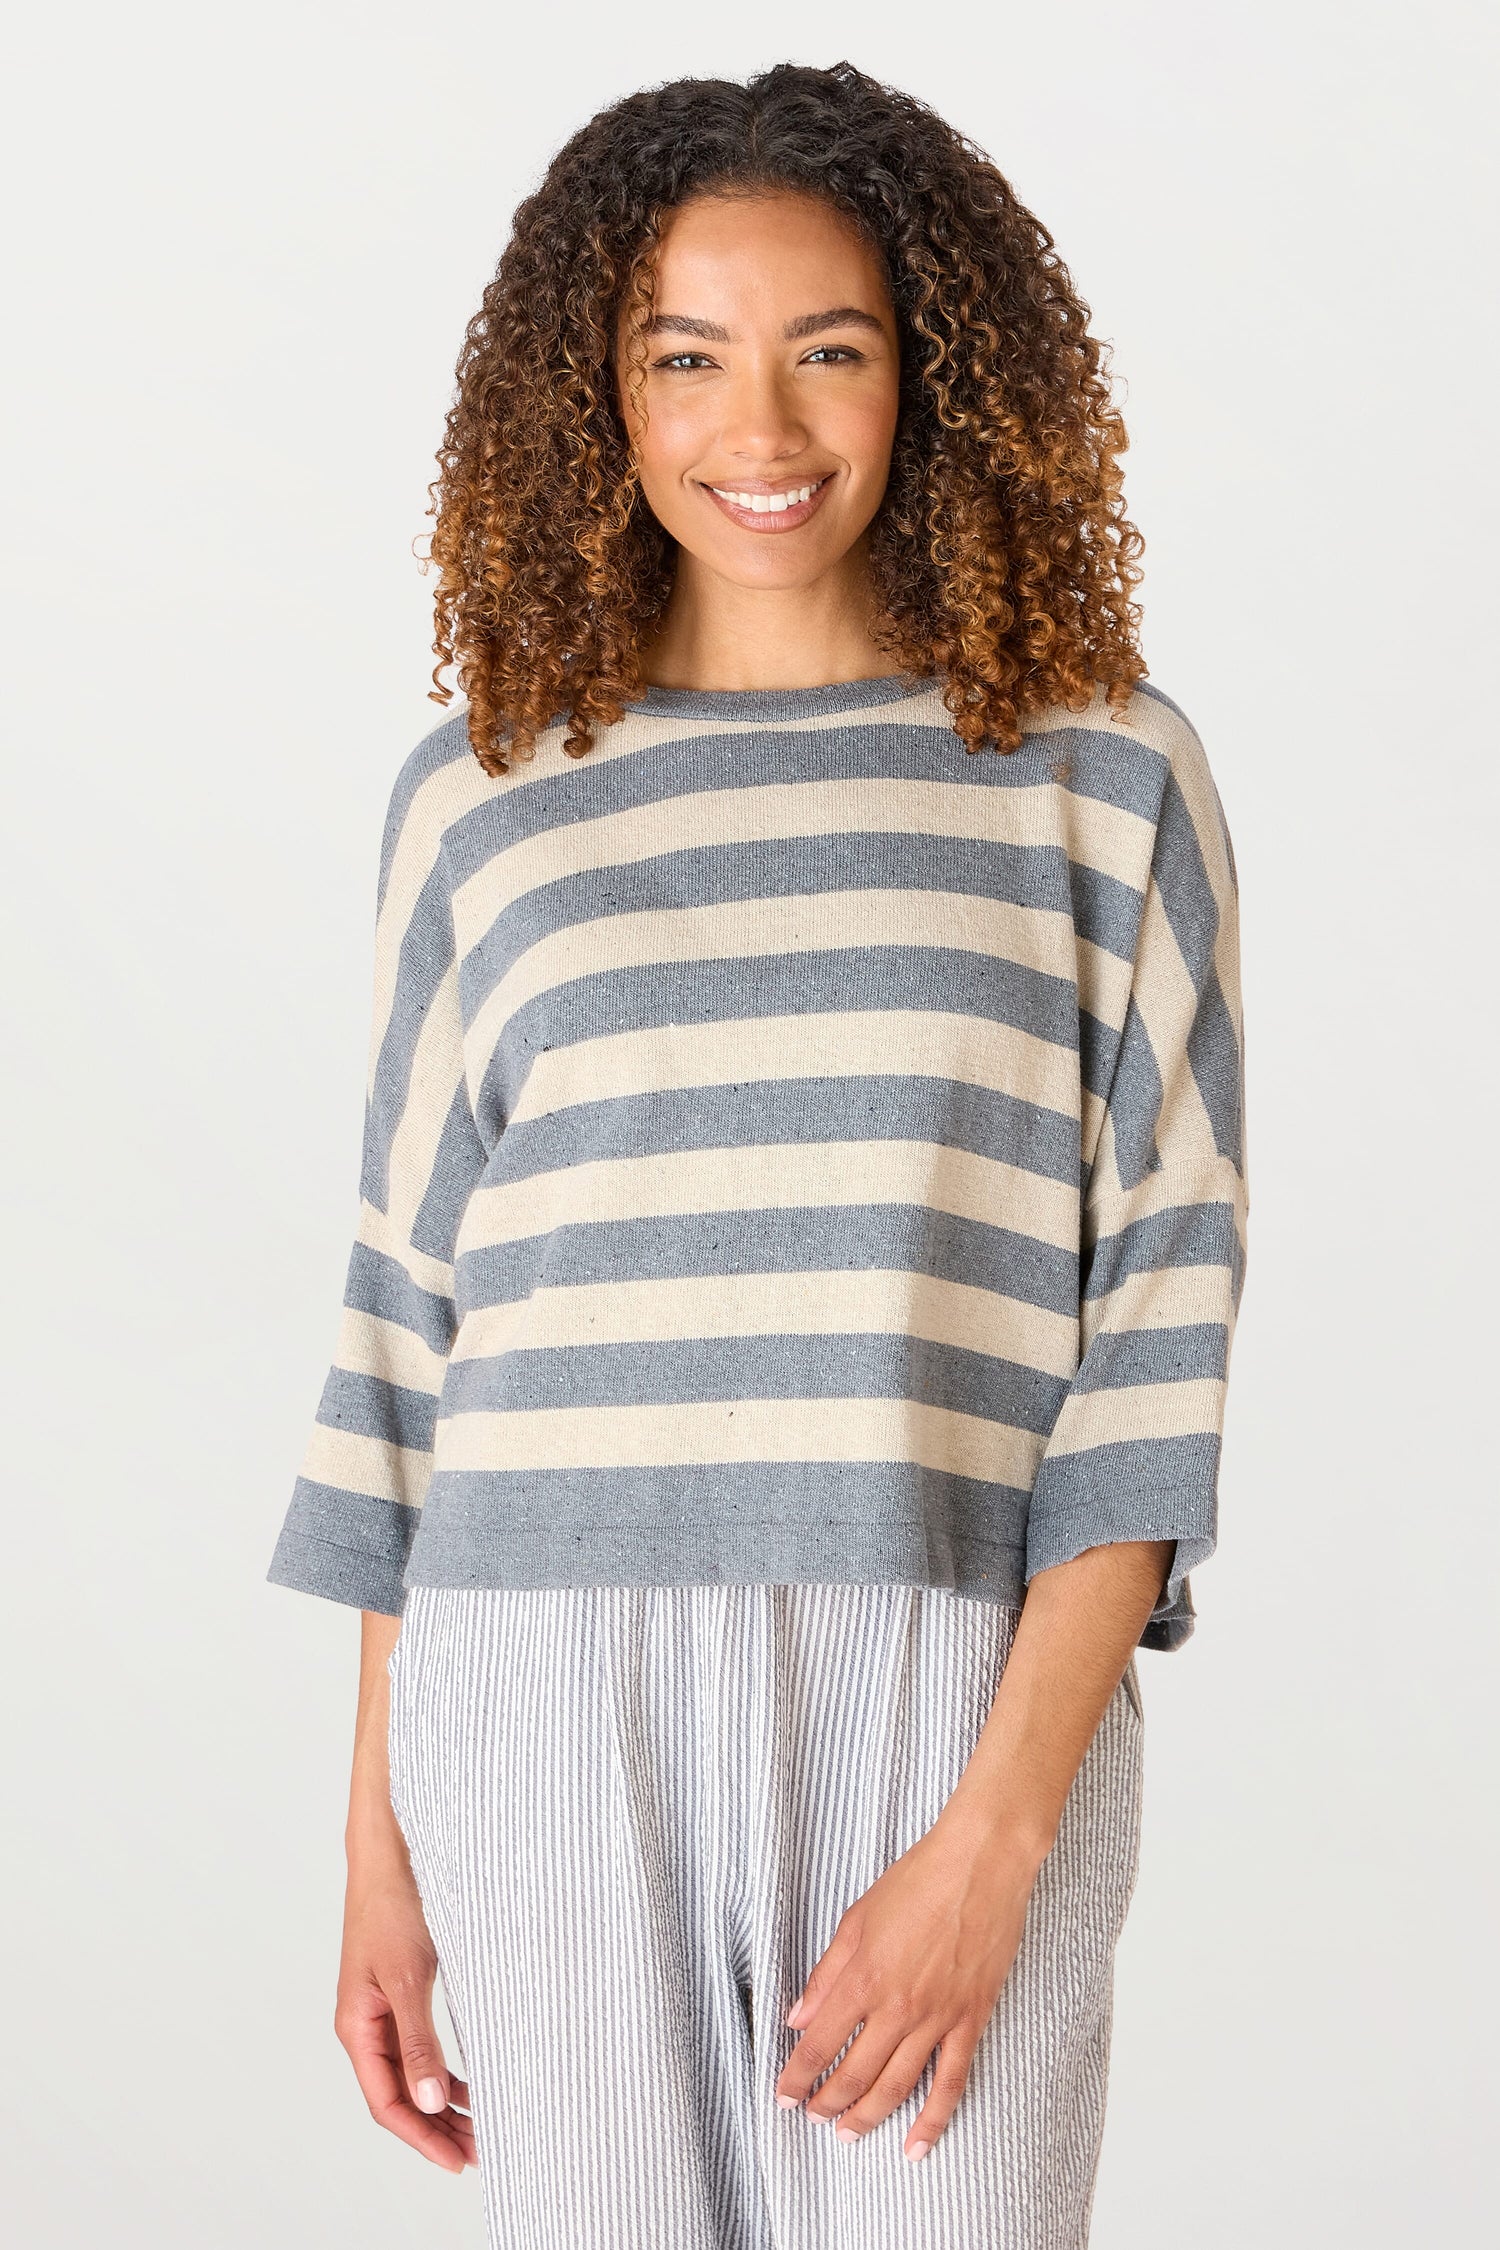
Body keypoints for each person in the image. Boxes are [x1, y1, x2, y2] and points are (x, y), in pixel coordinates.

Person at [266, 58, 1249, 2250]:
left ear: (935, 377)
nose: (762, 429)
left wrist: (997, 1838)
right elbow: (405, 1334)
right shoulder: (489, 793)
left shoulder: (1102, 776)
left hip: (945, 1680)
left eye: (833, 352)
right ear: (593, 399)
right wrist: (378, 1851)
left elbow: (1156, 1344)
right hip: (536, 1687)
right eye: (684, 359)